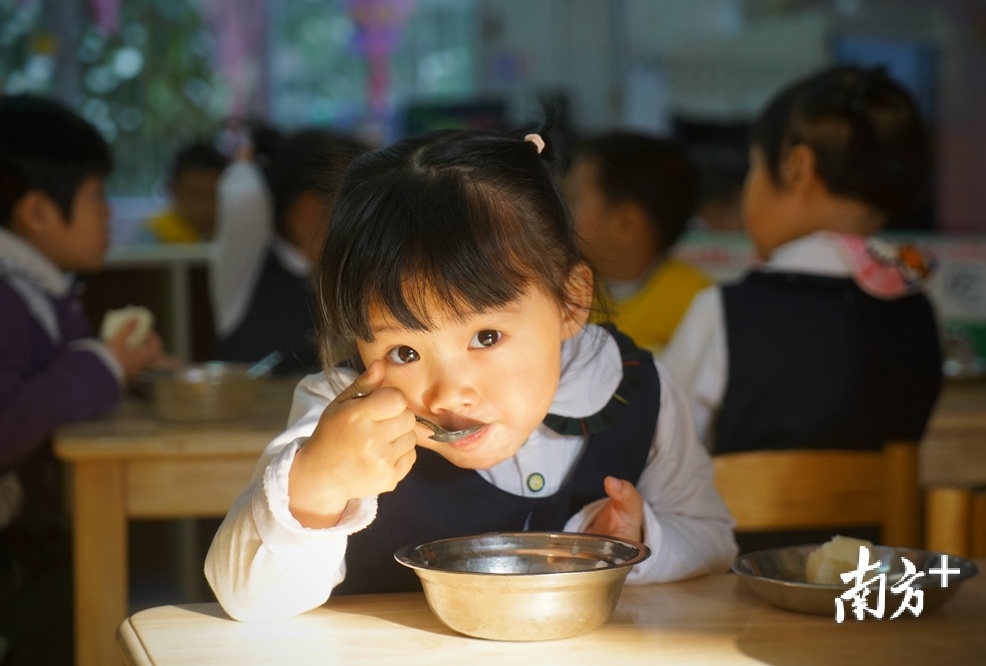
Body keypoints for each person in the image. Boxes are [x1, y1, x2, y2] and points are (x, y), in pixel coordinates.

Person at [204, 128, 738, 622]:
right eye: (405, 352)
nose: (449, 392)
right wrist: (316, 485)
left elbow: (713, 540)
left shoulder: (635, 390)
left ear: (571, 303)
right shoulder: (340, 413)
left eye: (485, 338)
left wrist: (640, 541)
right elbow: (245, 596)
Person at [661, 65, 943, 458]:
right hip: (881, 522)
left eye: (754, 166)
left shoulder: (728, 313)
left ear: (799, 169)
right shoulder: (916, 313)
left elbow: (659, 457)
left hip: (737, 521)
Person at [0, 94, 163, 663]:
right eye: (97, 195)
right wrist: (106, 366)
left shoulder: (38, 285)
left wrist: (128, 368)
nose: (109, 212)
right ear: (38, 212)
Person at [210, 128, 369, 376]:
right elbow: (243, 196)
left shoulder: (350, 274)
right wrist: (247, 158)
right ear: (307, 208)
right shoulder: (247, 266)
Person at [564, 131, 712, 355]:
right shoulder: (566, 292)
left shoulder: (696, 304)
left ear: (626, 225)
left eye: (574, 199)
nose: (558, 212)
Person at [143, 140, 227, 243]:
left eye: (214, 196)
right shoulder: (154, 233)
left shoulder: (229, 231)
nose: (205, 207)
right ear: (174, 190)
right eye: (195, 196)